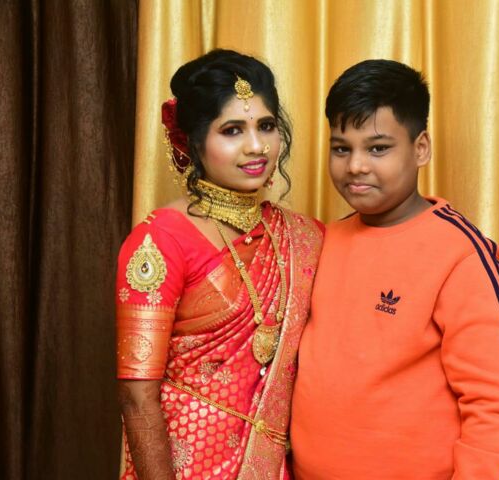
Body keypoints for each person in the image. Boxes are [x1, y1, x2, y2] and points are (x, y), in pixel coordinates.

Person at [290, 59, 499, 479]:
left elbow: (496, 407)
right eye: (342, 148)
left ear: (420, 149)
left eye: (378, 148)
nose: (356, 166)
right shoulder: (323, 242)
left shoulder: (463, 257)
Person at [115, 49, 323, 480]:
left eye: (266, 126)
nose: (256, 146)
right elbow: (137, 398)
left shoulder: (301, 237)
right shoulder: (161, 241)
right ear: (192, 142)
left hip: (273, 467)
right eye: (232, 130)